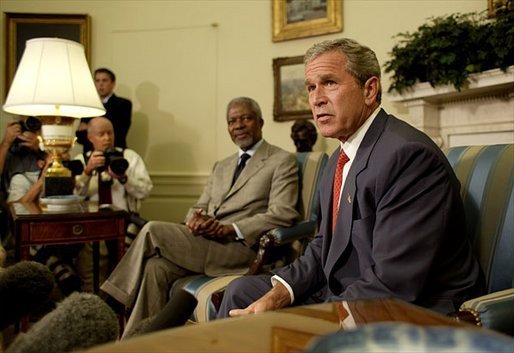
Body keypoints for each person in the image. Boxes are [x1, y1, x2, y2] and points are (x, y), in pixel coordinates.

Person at [219, 38, 484, 318]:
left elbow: (394, 282)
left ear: (369, 90)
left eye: (329, 83)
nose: (316, 98)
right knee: (242, 292)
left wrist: (312, 319)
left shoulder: (409, 157)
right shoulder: (338, 158)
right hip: (344, 290)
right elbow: (323, 245)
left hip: (414, 306)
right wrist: (278, 295)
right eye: (311, 87)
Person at [100, 97, 300, 335]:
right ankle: (138, 343)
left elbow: (282, 213)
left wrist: (231, 228)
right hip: (205, 242)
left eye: (245, 118)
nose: (238, 125)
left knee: (153, 229)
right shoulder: (221, 166)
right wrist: (195, 219)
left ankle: (110, 300)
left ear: (260, 122)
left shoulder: (281, 160)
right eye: (232, 121)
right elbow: (199, 206)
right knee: (155, 268)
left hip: (240, 248)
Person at [73, 117, 152, 290]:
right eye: (101, 134)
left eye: (110, 133)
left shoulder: (129, 157)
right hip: (92, 226)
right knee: (91, 269)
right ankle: (95, 304)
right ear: (90, 137)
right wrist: (87, 172)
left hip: (125, 223)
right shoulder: (81, 160)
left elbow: (145, 190)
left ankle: (121, 309)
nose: (107, 138)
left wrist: (124, 178)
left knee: (126, 271)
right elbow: (74, 197)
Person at [76, 68, 132, 153]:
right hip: (90, 154)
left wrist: (90, 128)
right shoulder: (90, 105)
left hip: (115, 152)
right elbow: (80, 136)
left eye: (104, 80)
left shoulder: (123, 104)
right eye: (97, 81)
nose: (100, 84)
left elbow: (119, 132)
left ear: (113, 83)